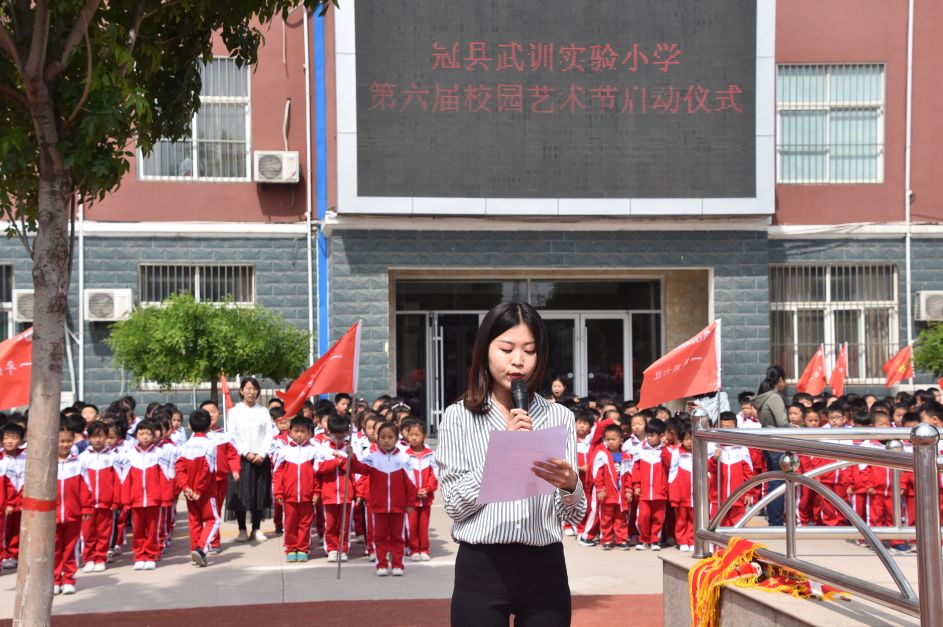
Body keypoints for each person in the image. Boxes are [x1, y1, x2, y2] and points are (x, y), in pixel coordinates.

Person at [437, 302, 586, 627]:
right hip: (481, 567)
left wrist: (570, 484)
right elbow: (454, 506)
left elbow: (575, 515)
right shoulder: (458, 417)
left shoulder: (559, 416)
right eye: (506, 348)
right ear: (485, 350)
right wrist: (501, 452)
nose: (517, 360)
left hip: (545, 567)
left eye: (529, 351)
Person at [349, 421, 417, 576]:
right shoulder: (373, 458)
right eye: (383, 437)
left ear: (397, 438)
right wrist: (351, 456)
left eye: (390, 437)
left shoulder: (404, 458)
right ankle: (381, 564)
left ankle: (398, 564)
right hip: (378, 506)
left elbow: (411, 483)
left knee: (396, 536)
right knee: (379, 536)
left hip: (398, 506)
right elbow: (359, 469)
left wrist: (410, 503)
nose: (386, 440)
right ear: (377, 438)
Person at [273, 415, 336, 563]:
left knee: (305, 523)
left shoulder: (314, 451)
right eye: (296, 431)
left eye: (303, 431)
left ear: (309, 433)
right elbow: (277, 474)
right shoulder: (284, 452)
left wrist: (317, 491)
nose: (299, 434)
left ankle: (302, 549)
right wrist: (278, 492)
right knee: (289, 523)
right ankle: (290, 548)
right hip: (289, 496)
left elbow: (318, 474)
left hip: (308, 497)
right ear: (290, 432)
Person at [227, 377, 274, 543]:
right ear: (241, 391)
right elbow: (232, 434)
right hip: (242, 459)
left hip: (261, 458)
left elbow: (269, 434)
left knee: (258, 493)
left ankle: (256, 528)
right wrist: (245, 452)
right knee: (241, 494)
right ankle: (241, 529)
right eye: (247, 388)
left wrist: (262, 453)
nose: (251, 392)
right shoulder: (234, 411)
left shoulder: (263, 411)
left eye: (254, 388)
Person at [122, 419, 171, 570]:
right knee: (137, 530)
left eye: (148, 434)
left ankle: (150, 555)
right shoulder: (129, 455)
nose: (145, 437)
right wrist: (126, 500)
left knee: (152, 529)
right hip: (136, 500)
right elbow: (125, 479)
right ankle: (139, 556)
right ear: (136, 435)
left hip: (153, 500)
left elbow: (166, 476)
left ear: (154, 436)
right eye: (141, 433)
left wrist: (165, 498)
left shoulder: (159, 453)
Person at [175, 409, 220, 567]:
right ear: (209, 426)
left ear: (189, 425)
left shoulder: (185, 446)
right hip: (205, 491)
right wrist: (199, 490)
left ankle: (195, 551)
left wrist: (186, 487)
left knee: (194, 521)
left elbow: (179, 468)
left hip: (189, 491)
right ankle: (201, 549)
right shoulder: (209, 444)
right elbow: (207, 469)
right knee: (212, 520)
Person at [79, 421, 120, 572]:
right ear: (89, 437)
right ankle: (88, 558)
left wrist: (115, 500)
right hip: (88, 504)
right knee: (88, 533)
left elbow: (117, 480)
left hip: (106, 503)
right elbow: (80, 482)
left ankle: (100, 557)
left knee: (104, 532)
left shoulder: (112, 457)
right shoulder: (82, 457)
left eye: (101, 436)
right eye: (95, 436)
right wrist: (82, 502)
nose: (98, 440)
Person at [318, 412, 358, 562]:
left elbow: (356, 469)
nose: (339, 439)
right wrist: (335, 463)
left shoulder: (350, 448)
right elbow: (318, 468)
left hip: (346, 493)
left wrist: (349, 458)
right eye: (336, 435)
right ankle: (331, 549)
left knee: (344, 524)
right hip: (329, 493)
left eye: (342, 435)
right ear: (329, 432)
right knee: (330, 524)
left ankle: (343, 548)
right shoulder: (323, 448)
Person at [752, 365, 789, 526]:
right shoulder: (774, 397)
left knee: (773, 481)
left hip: (768, 442)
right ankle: (776, 520)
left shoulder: (762, 397)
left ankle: (774, 518)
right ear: (780, 380)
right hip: (777, 442)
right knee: (778, 483)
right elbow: (782, 423)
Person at [53, 425, 88, 595]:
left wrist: (86, 507)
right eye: (61, 441)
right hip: (51, 516)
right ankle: (54, 579)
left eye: (68, 441)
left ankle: (69, 579)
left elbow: (85, 488)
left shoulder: (78, 463)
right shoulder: (46, 464)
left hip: (73, 514)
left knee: (70, 549)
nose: (64, 444)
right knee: (54, 549)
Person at [203, 400, 240, 553]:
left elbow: (233, 455)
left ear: (218, 414)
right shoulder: (198, 437)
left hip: (220, 480)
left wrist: (235, 470)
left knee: (215, 511)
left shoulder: (225, 436)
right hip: (203, 481)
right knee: (205, 512)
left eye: (213, 411)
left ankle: (214, 542)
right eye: (206, 412)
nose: (210, 414)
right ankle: (204, 540)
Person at [632, 419, 671, 551]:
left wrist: (664, 448)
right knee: (643, 516)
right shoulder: (640, 448)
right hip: (644, 491)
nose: (649, 438)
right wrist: (636, 485)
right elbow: (636, 468)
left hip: (660, 492)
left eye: (652, 435)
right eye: (647, 434)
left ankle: (655, 540)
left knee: (658, 517)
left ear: (661, 436)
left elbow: (669, 465)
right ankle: (643, 539)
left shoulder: (666, 450)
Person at [404, 420, 438, 562]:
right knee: (411, 525)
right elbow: (404, 476)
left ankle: (424, 549)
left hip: (426, 498)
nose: (413, 438)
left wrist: (428, 489)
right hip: (411, 499)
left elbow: (434, 474)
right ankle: (413, 549)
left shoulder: (430, 455)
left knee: (423, 526)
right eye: (411, 434)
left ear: (424, 436)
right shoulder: (404, 455)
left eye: (417, 435)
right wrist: (414, 491)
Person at [592, 424, 629, 550]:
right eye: (608, 439)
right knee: (606, 518)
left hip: (621, 494)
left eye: (614, 439)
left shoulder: (626, 456)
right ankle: (606, 539)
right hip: (608, 493)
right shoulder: (602, 454)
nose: (611, 442)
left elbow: (629, 475)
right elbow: (597, 473)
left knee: (621, 518)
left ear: (621, 440)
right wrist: (600, 488)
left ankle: (621, 539)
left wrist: (629, 489)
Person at [1, 422, 26, 569]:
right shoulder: (2, 459)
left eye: (14, 437)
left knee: (18, 529)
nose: (9, 441)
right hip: (6, 503)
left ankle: (14, 553)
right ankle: (5, 556)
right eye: (6, 438)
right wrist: (8, 503)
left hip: (21, 501)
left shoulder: (25, 457)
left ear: (21, 439)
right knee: (5, 530)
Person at [669, 424, 695, 552]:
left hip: (695, 493)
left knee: (693, 519)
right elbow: (672, 472)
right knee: (681, 519)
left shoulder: (700, 451)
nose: (689, 442)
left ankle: (692, 540)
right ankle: (682, 540)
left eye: (691, 438)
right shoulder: (677, 452)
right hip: (681, 492)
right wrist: (673, 492)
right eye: (686, 439)